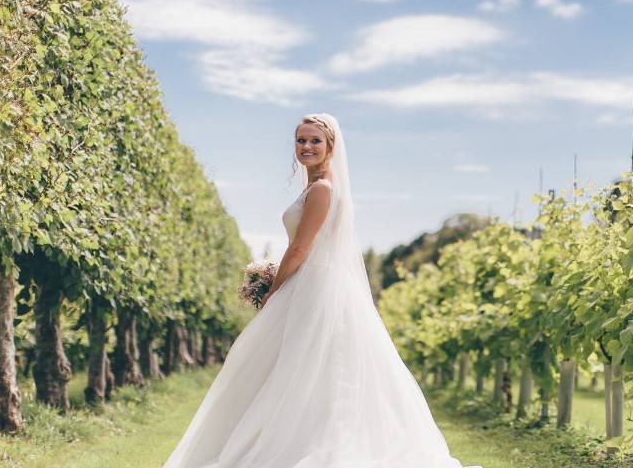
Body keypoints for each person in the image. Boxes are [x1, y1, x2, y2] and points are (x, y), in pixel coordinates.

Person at [162, 113, 481, 468]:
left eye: (315, 140)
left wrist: (272, 291)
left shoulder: (323, 189)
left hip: (315, 289)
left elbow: (300, 250)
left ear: (331, 146)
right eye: (301, 140)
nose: (306, 147)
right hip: (315, 285)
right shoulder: (317, 187)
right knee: (300, 370)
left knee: (309, 369)